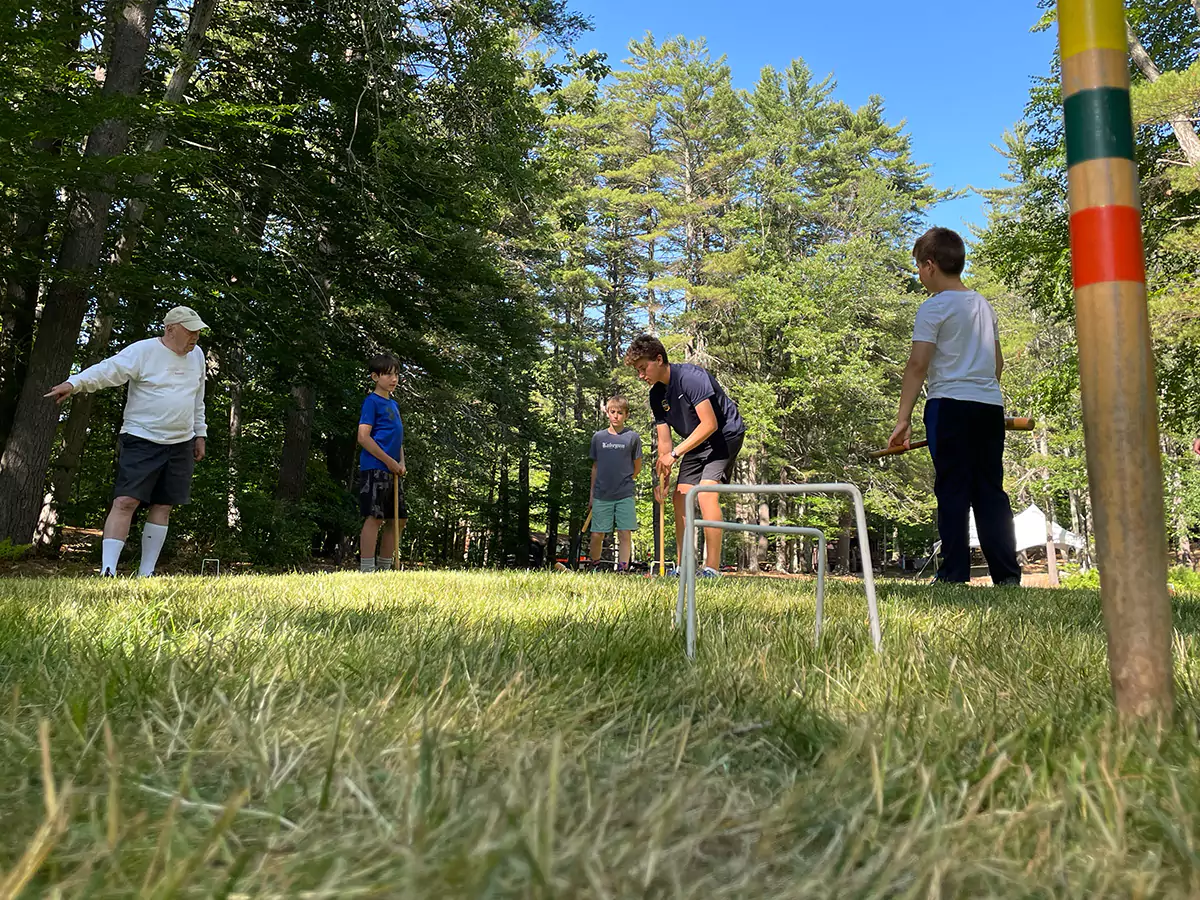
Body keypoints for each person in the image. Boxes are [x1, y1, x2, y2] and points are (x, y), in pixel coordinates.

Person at [888, 227, 1022, 585]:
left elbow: (917, 365)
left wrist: (903, 419)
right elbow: (997, 364)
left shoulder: (934, 308)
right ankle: (1007, 576)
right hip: (988, 406)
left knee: (952, 489)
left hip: (948, 405)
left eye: (918, 266)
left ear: (930, 265)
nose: (919, 274)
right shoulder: (982, 304)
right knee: (990, 490)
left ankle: (953, 575)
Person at [45, 306, 210, 577]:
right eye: (190, 331)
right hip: (141, 438)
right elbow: (108, 370)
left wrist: (199, 433)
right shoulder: (143, 351)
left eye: (198, 332)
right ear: (170, 329)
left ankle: (146, 574)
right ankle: (108, 571)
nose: (196, 337)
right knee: (125, 502)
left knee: (164, 505)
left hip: (181, 442)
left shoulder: (198, 356)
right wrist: (74, 383)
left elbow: (197, 398)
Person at [624, 334, 745, 578]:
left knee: (706, 495)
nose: (641, 375)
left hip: (724, 435)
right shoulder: (656, 395)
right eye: (637, 370)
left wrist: (676, 454)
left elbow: (709, 424)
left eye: (643, 368)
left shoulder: (691, 377)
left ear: (659, 359)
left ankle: (712, 569)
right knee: (680, 498)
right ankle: (683, 567)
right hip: (696, 442)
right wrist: (664, 477)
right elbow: (664, 442)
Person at [357, 354, 407, 572]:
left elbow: (398, 437)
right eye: (388, 374)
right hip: (375, 467)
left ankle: (385, 567)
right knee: (374, 516)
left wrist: (401, 462)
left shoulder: (393, 404)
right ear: (375, 377)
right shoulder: (371, 402)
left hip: (393, 469)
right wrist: (388, 461)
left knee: (398, 518)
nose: (393, 378)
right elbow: (363, 437)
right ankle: (367, 568)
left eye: (396, 374)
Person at [588, 396, 643, 572]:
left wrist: (626, 480)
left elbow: (637, 466)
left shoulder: (632, 437)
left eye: (620, 413)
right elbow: (595, 467)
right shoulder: (598, 437)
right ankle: (595, 566)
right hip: (601, 493)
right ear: (607, 413)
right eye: (613, 412)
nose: (616, 416)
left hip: (624, 494)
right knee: (597, 534)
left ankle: (623, 569)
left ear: (626, 415)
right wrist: (592, 494)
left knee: (624, 532)